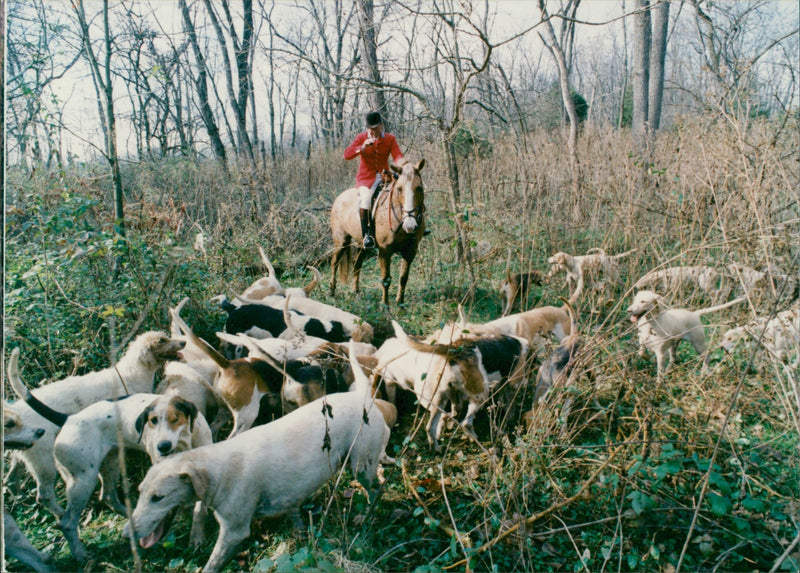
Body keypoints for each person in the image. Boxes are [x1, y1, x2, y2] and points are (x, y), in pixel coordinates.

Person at [344, 111, 405, 248]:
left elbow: (397, 156)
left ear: (381, 126)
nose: (372, 131)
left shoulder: (390, 139)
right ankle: (366, 235)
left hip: (386, 177)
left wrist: (403, 167)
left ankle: (411, 226)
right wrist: (362, 148)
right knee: (365, 199)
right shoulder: (361, 138)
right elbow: (346, 155)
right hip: (366, 179)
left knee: (403, 192)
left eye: (375, 128)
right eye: (370, 129)